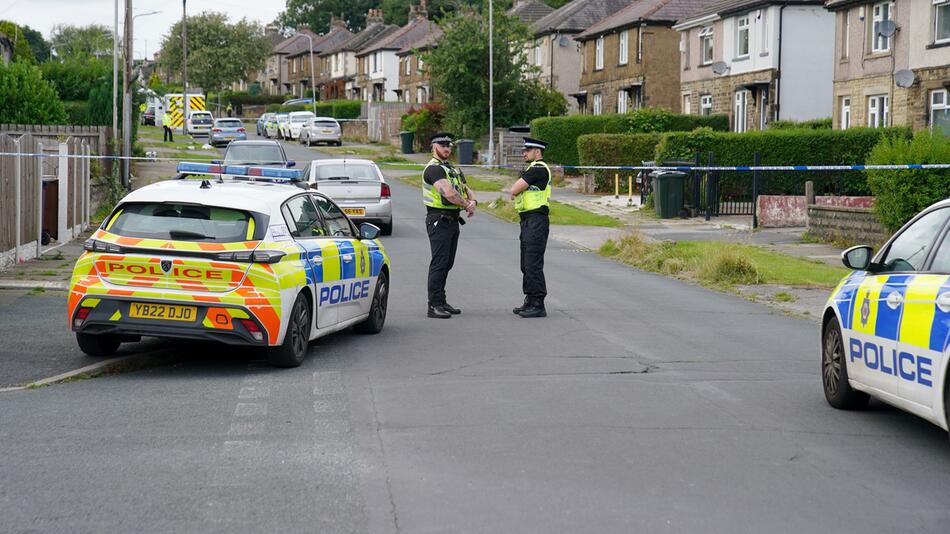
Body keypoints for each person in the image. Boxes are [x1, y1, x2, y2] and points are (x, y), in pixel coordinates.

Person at [422, 132, 477, 319]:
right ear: (433, 147)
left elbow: (465, 189)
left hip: (452, 221)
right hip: (439, 220)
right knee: (439, 263)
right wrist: (466, 204)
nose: (447, 148)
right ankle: (434, 305)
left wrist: (473, 201)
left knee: (447, 262)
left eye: (449, 145)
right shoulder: (434, 169)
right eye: (442, 145)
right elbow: (449, 194)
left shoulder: (451, 169)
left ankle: (442, 301)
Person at [510, 137, 552, 318]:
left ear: (538, 152)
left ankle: (538, 303)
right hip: (528, 220)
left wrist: (516, 188)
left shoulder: (538, 169)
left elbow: (514, 189)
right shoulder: (532, 169)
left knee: (533, 263)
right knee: (525, 263)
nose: (523, 153)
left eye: (527, 150)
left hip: (536, 220)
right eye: (523, 151)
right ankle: (529, 300)